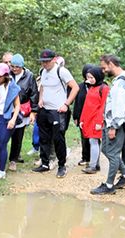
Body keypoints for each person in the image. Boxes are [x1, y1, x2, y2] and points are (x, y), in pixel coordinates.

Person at [91, 54, 125, 195]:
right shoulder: (121, 79)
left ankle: (109, 185)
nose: (103, 71)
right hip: (110, 122)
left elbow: (120, 106)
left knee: (112, 153)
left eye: (104, 67)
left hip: (116, 123)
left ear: (111, 64)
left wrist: (113, 127)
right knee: (106, 149)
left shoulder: (121, 83)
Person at [32, 49, 79, 178]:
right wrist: (41, 99)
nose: (44, 64)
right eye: (42, 62)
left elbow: (75, 87)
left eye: (47, 61)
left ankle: (62, 165)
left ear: (54, 59)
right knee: (44, 138)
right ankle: (45, 163)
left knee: (58, 139)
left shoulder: (61, 71)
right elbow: (42, 86)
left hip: (58, 111)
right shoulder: (43, 71)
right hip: (44, 109)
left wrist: (66, 104)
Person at [8, 54, 39, 171]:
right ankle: (1, 158)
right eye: (12, 66)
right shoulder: (8, 74)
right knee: (4, 135)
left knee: (18, 135)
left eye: (17, 67)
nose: (14, 69)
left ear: (22, 66)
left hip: (22, 109)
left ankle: (13, 160)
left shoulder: (29, 76)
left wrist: (33, 112)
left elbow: (34, 94)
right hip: (8, 108)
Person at [79, 66, 109, 174]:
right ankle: (95, 164)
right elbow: (86, 105)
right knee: (92, 141)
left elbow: (103, 106)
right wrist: (82, 119)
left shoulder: (104, 88)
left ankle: (92, 166)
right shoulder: (91, 88)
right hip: (88, 118)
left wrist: (99, 121)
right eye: (88, 77)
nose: (89, 80)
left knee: (93, 141)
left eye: (92, 77)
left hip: (96, 119)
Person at [73, 64, 95, 168]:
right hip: (82, 116)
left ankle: (94, 159)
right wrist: (76, 117)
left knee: (93, 138)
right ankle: (85, 157)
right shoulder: (80, 87)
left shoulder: (97, 87)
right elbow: (77, 102)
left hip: (94, 116)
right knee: (84, 137)